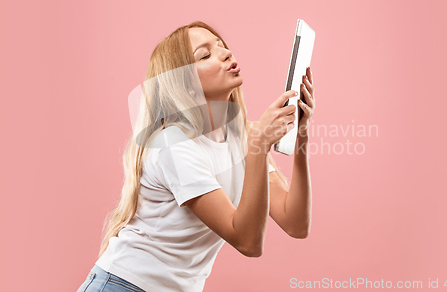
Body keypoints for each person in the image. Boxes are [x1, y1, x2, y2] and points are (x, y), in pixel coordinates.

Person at [76, 21, 315, 292]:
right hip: (124, 285)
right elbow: (247, 241)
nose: (226, 53)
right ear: (185, 84)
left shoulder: (241, 136)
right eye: (205, 55)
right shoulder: (172, 145)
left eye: (222, 46)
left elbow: (295, 223)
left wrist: (301, 133)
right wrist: (259, 144)